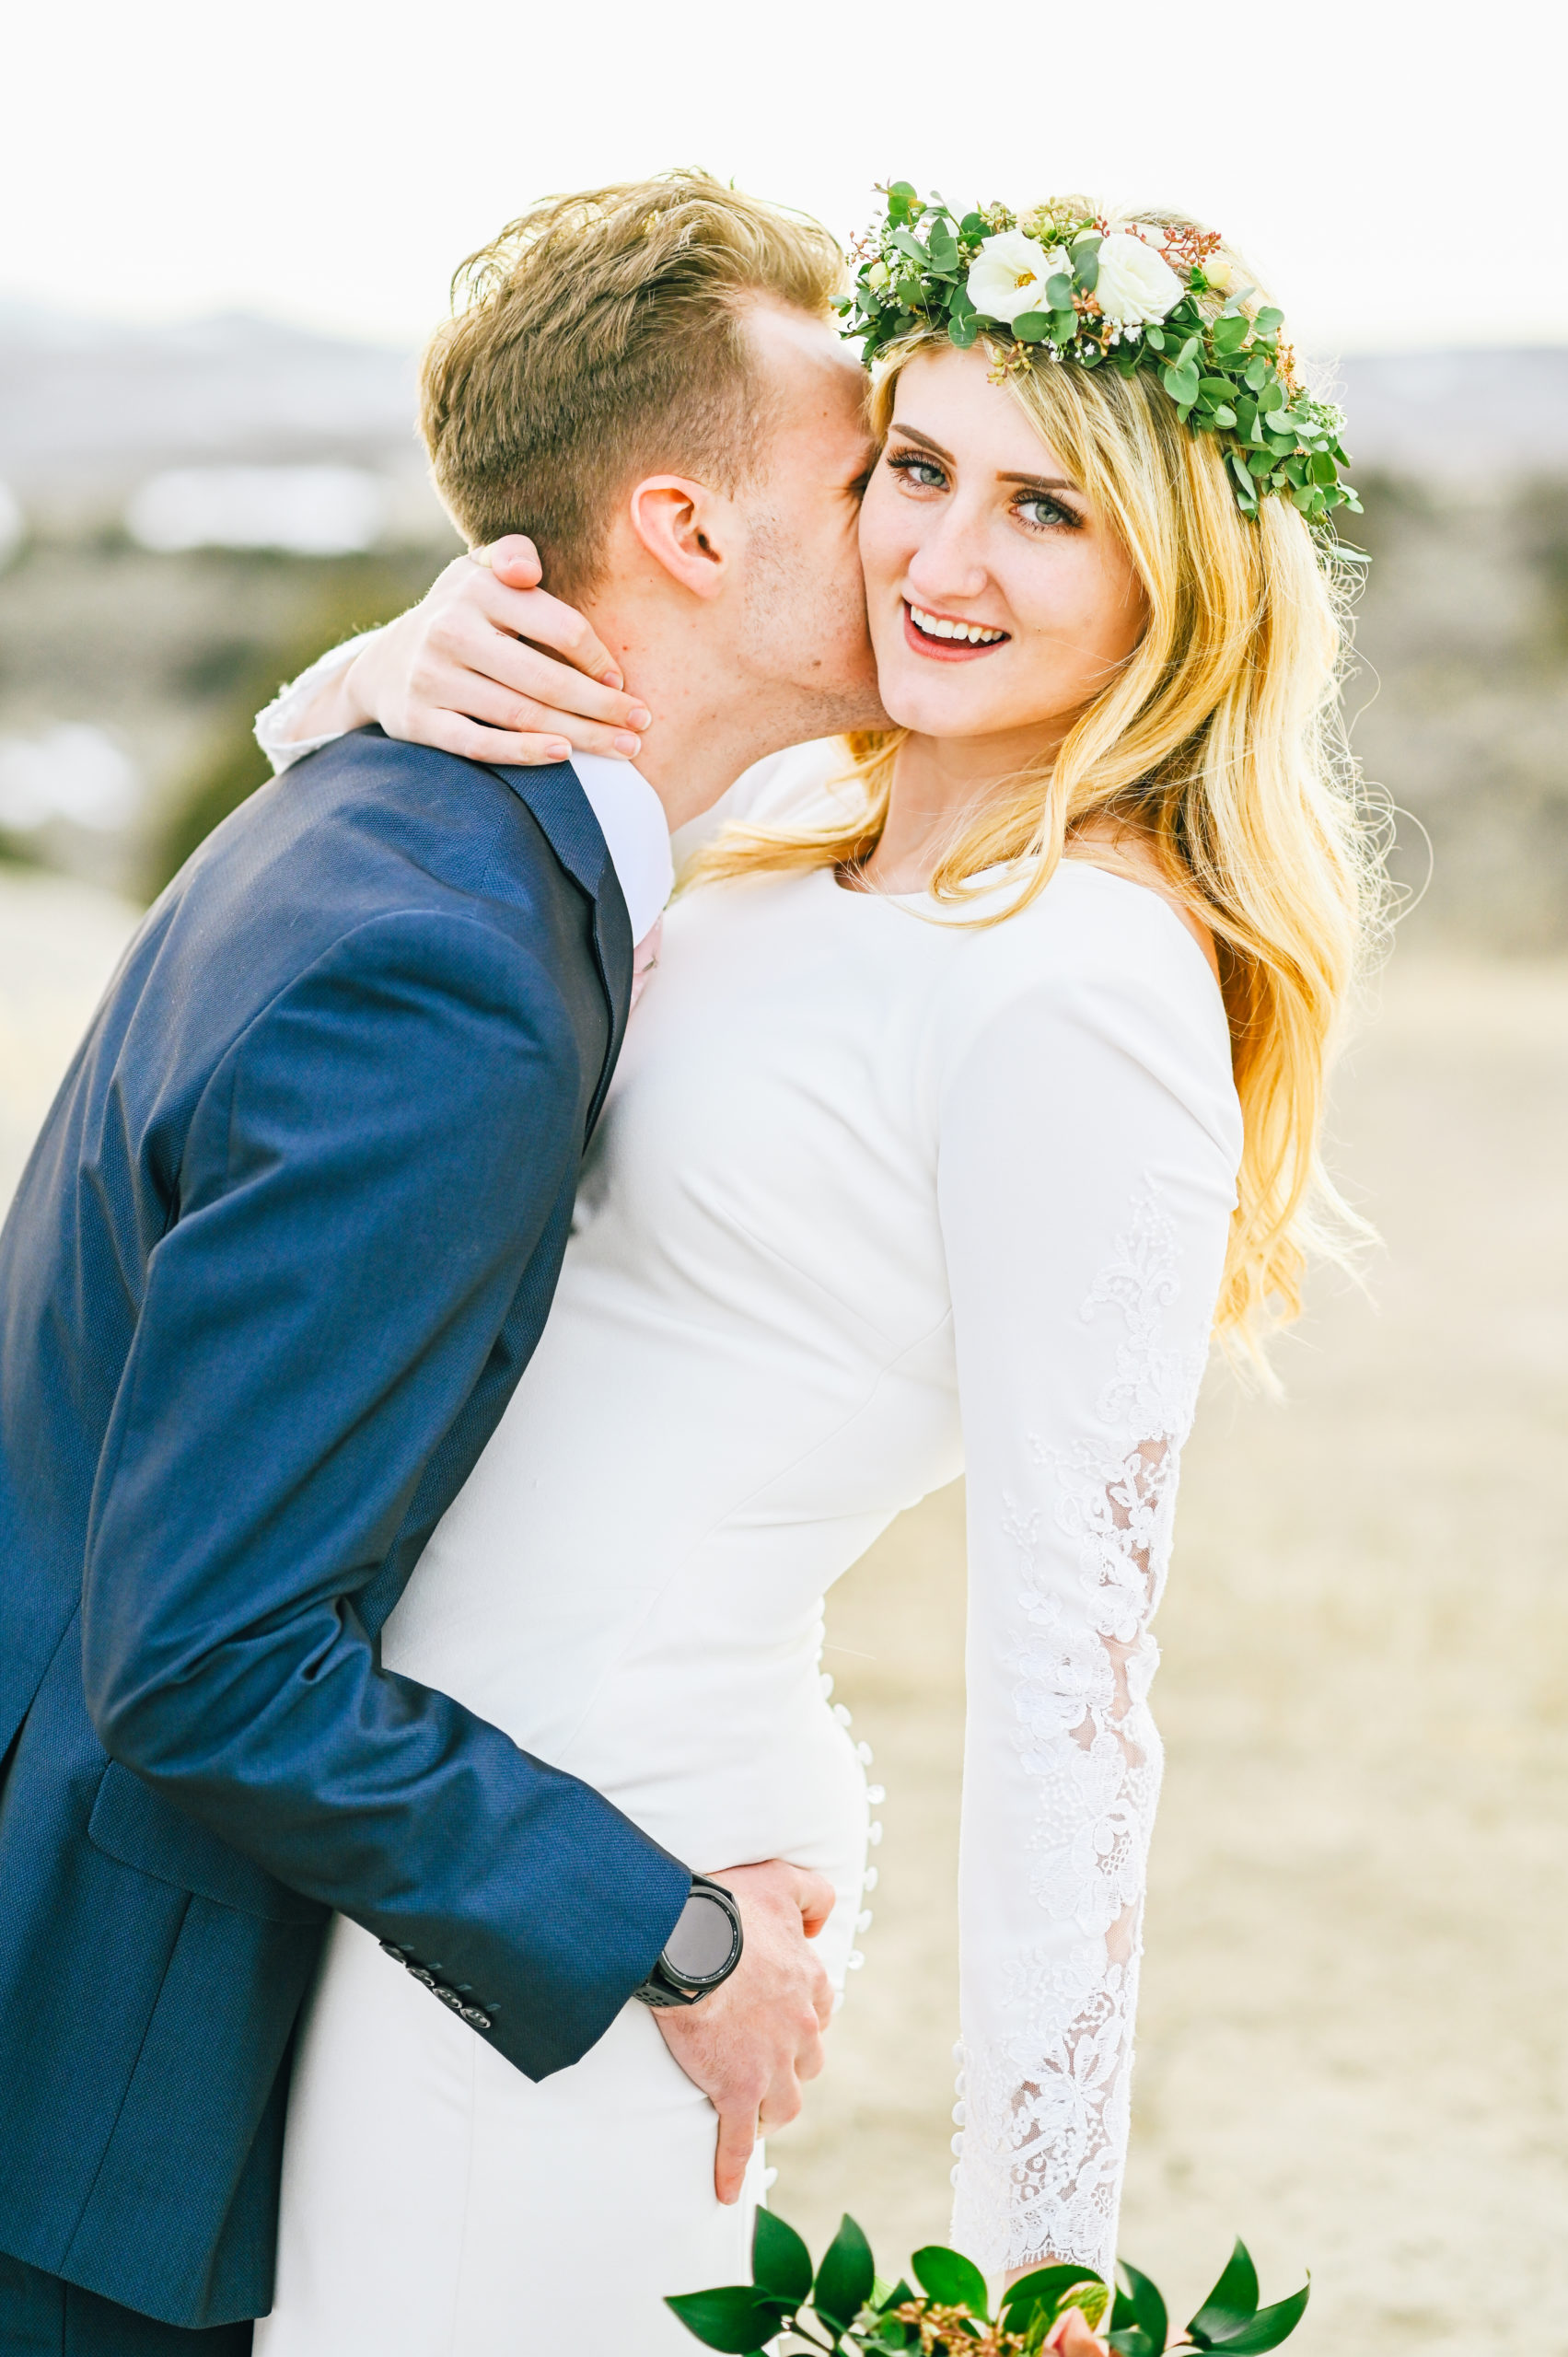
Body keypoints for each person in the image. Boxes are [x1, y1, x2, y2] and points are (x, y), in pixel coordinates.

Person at [249, 181, 1376, 2351]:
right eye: (917, 469)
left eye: (1049, 510)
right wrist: (386, 668)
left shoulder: (1086, 991)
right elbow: (374, 879)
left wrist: (1036, 2280)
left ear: (1181, 568)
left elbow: (1078, 1685)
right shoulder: (781, 837)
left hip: (606, 1827)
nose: (945, 561)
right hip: (421, 1792)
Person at [0, 177, 891, 2355]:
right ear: (683, 527)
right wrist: (672, 1933)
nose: (917, 539)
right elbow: (205, 1654)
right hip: (92, 2074)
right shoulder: (447, 970)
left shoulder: (403, 806)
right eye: (868, 472)